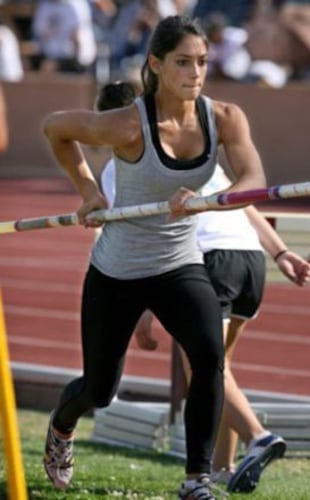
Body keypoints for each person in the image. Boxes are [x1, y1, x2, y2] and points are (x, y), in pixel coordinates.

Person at [41, 14, 266, 498]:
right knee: (99, 390)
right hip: (118, 272)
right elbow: (55, 127)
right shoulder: (128, 124)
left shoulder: (225, 118)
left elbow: (251, 180)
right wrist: (88, 192)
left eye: (203, 62)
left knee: (208, 359)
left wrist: (211, 200)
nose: (196, 73)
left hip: (178, 264)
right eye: (183, 63)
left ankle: (196, 479)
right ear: (157, 65)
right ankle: (61, 425)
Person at [127, 166, 310, 494]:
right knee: (220, 367)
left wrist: (143, 307)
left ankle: (258, 437)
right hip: (249, 260)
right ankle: (223, 468)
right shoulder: (204, 156)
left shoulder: (132, 164)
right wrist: (280, 252)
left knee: (204, 370)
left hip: (208, 259)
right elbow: (244, 204)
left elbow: (146, 231)